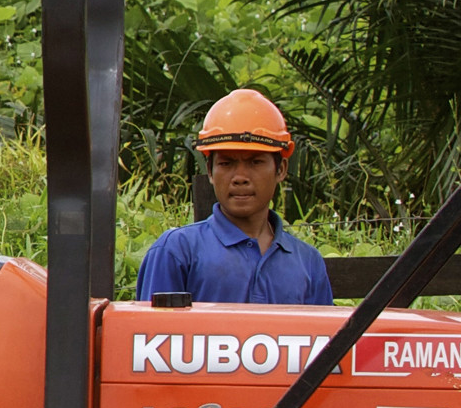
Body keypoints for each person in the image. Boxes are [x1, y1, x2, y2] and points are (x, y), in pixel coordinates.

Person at [133, 89, 336, 305]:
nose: (240, 177)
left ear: (281, 169)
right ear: (210, 171)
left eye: (255, 162)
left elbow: (326, 337)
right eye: (226, 163)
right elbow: (152, 335)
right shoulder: (176, 251)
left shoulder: (307, 262)